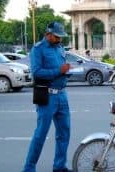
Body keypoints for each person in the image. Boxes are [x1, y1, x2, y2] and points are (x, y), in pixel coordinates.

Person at [22, 22, 72, 172]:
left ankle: (59, 166)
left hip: (62, 95)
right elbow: (36, 72)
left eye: (61, 37)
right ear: (48, 34)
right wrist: (58, 70)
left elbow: (61, 69)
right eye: (57, 37)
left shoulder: (60, 48)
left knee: (64, 133)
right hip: (47, 97)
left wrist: (66, 71)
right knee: (40, 135)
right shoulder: (38, 49)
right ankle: (29, 168)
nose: (59, 39)